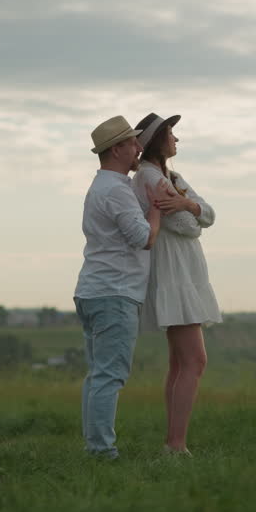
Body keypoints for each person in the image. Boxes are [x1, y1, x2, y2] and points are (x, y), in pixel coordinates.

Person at [131, 113, 221, 456]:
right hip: (173, 274)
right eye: (171, 133)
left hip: (183, 273)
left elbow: (208, 214)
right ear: (158, 140)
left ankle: (174, 442)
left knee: (181, 363)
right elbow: (188, 226)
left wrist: (186, 203)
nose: (176, 139)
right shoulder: (151, 177)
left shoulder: (172, 177)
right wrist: (190, 210)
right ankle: (175, 444)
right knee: (195, 361)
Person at [73, 115, 163, 460]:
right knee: (110, 376)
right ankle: (102, 452)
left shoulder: (103, 187)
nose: (138, 147)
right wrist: (156, 210)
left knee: (98, 375)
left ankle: (95, 447)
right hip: (114, 292)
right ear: (116, 150)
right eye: (132, 142)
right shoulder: (115, 190)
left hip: (95, 289)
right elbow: (144, 239)